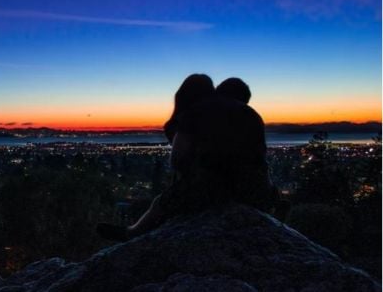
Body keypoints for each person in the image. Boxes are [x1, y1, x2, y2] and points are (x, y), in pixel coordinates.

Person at [97, 74, 276, 241]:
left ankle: (132, 232)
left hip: (210, 193)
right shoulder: (254, 116)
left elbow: (178, 158)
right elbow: (260, 160)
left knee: (162, 202)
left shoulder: (197, 111)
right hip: (256, 191)